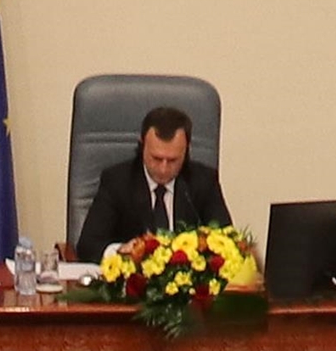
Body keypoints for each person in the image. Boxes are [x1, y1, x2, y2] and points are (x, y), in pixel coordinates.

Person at [76, 106, 232, 262]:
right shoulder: (117, 181)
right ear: (142, 145)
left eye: (173, 160)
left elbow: (228, 243)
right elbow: (87, 246)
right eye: (156, 158)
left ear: (187, 150)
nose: (163, 169)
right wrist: (121, 251)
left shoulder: (204, 181)